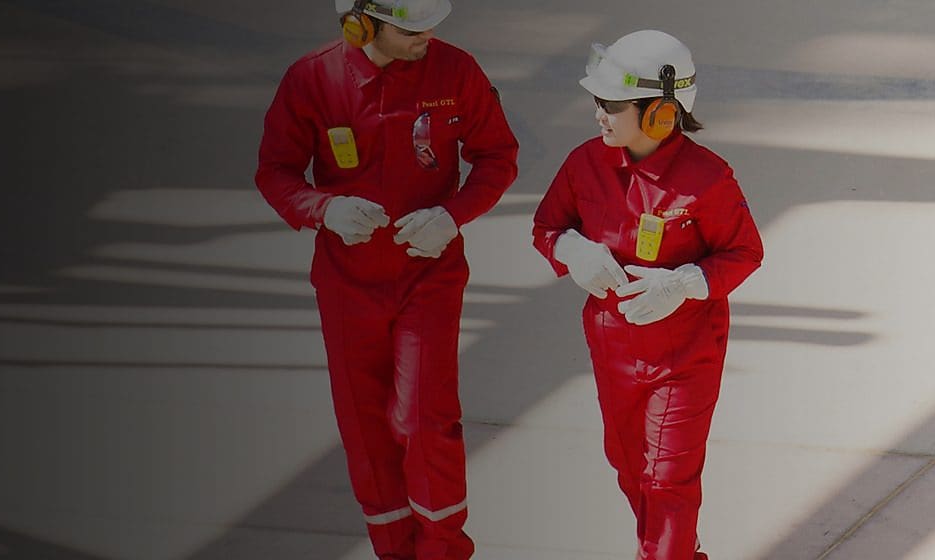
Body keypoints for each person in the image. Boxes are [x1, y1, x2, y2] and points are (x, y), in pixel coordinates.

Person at [254, 0, 519, 558]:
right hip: (347, 283)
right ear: (361, 25)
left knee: (424, 417)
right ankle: (393, 550)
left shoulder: (455, 71)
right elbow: (276, 171)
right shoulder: (312, 79)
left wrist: (452, 215)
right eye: (412, 28)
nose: (428, 35)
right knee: (364, 424)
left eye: (432, 23)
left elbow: (497, 156)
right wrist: (324, 209)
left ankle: (443, 550)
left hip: (429, 275)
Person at [532, 29, 763, 560]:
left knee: (667, 481)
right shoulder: (584, 163)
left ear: (660, 113)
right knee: (629, 467)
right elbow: (547, 226)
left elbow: (744, 252)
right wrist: (571, 249)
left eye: (611, 106)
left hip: (685, 358)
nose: (598, 115)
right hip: (612, 349)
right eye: (598, 102)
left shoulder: (707, 179)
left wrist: (682, 284)